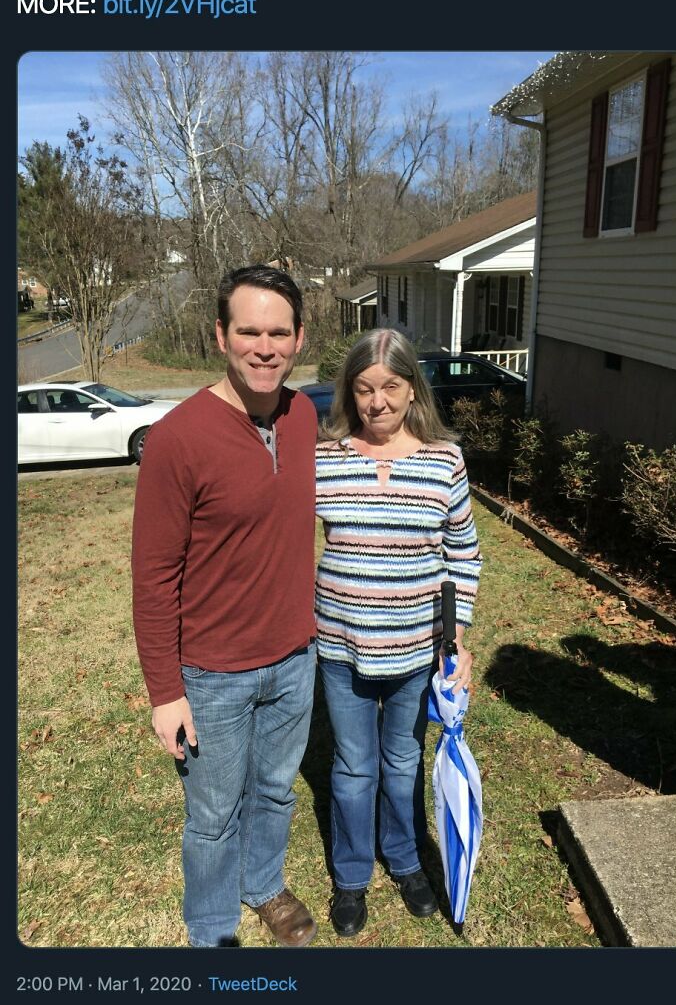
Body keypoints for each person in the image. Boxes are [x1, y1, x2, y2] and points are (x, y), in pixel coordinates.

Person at [132, 265, 318, 949]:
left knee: (275, 790)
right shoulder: (178, 437)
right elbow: (153, 576)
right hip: (212, 674)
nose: (264, 347)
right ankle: (212, 931)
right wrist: (165, 691)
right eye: (249, 331)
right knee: (212, 815)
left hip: (297, 658)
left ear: (298, 337)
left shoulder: (303, 416)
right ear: (221, 334)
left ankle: (262, 882)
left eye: (278, 332)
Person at [315, 329, 482, 937]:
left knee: (403, 758)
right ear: (349, 392)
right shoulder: (326, 458)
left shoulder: (445, 460)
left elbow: (463, 555)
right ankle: (353, 875)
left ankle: (407, 859)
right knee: (354, 766)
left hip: (417, 651)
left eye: (389, 386)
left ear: (412, 388)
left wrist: (456, 636)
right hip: (340, 645)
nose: (377, 402)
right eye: (363, 389)